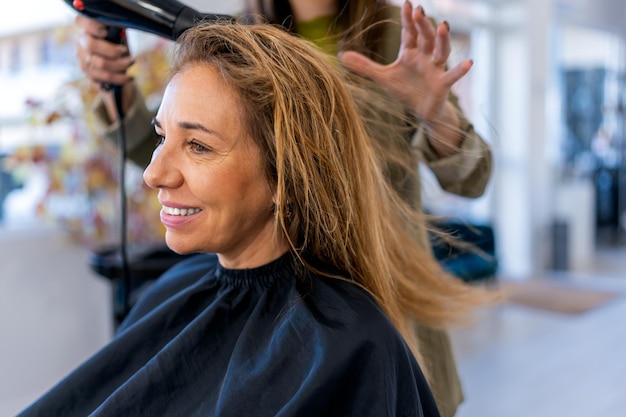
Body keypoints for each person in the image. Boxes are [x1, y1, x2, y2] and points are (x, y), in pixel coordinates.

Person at [20, 20, 496, 417]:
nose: (152, 175)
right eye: (162, 135)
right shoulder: (241, 32)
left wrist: (436, 116)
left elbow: (471, 177)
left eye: (198, 145)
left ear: (286, 175)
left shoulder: (350, 347)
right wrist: (117, 89)